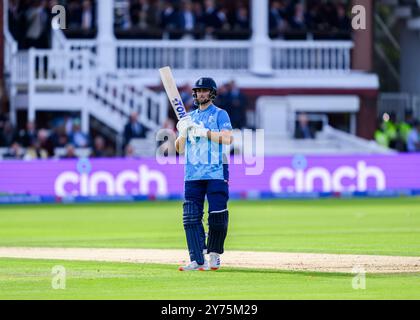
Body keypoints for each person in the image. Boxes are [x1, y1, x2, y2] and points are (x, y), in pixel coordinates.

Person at [175, 77, 233, 271]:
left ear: (212, 93)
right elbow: (178, 149)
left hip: (216, 170)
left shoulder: (220, 114)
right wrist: (183, 133)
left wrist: (205, 132)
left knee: (217, 215)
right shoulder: (188, 118)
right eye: (198, 91)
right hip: (192, 173)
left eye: (205, 91)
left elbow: (227, 138)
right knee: (190, 217)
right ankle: (197, 259)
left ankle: (214, 255)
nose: (201, 94)